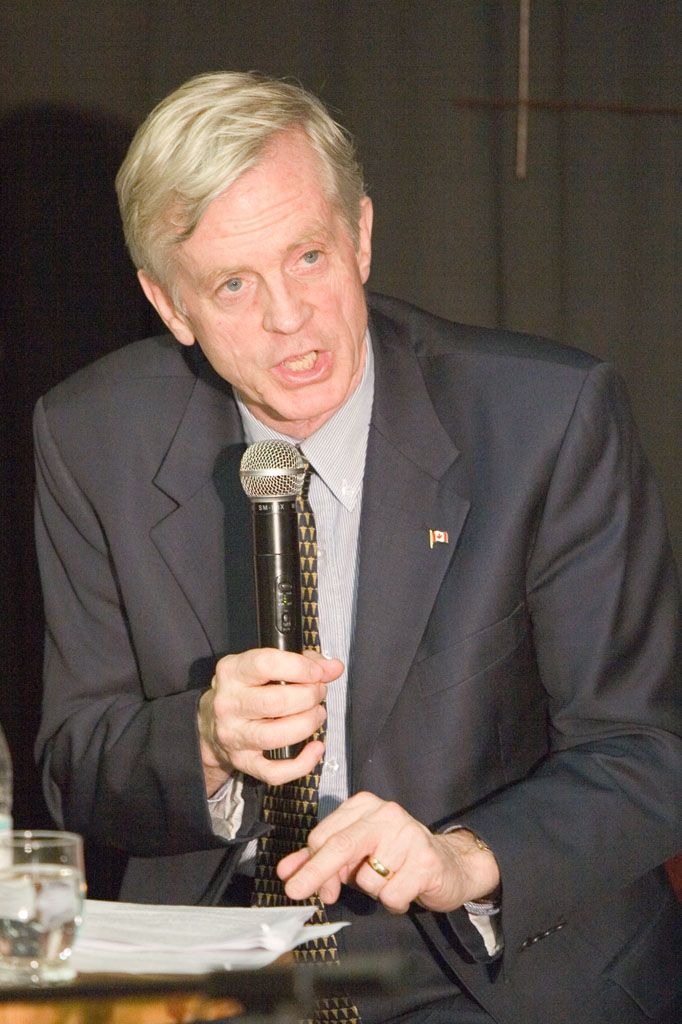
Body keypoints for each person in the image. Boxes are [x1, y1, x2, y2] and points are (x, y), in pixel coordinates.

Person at [34, 71, 682, 1024]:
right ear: (170, 307)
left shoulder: (543, 420)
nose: (288, 317)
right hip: (227, 956)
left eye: (308, 257)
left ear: (362, 237)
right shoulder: (92, 437)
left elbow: (646, 751)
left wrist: (463, 858)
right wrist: (204, 741)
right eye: (233, 284)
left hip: (491, 958)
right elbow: (75, 766)